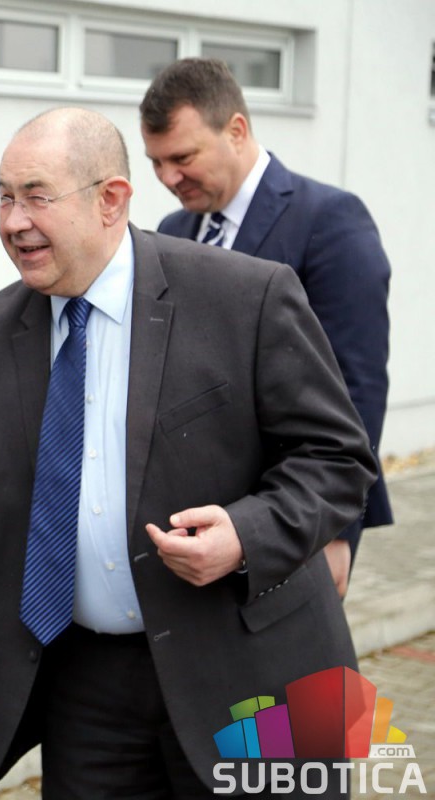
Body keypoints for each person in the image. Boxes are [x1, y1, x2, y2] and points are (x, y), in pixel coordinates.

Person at [0, 108, 376, 798]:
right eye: (4, 197)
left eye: (36, 196)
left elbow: (336, 457)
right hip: (86, 689)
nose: (13, 221)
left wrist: (247, 534)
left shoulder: (245, 297)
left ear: (111, 199)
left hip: (249, 670)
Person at [139, 57, 392, 597]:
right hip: (198, 527)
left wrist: (335, 529)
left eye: (182, 158)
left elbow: (358, 387)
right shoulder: (171, 230)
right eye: (156, 162)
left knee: (298, 659)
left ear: (236, 130)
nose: (167, 178)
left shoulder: (330, 220)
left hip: (289, 517)